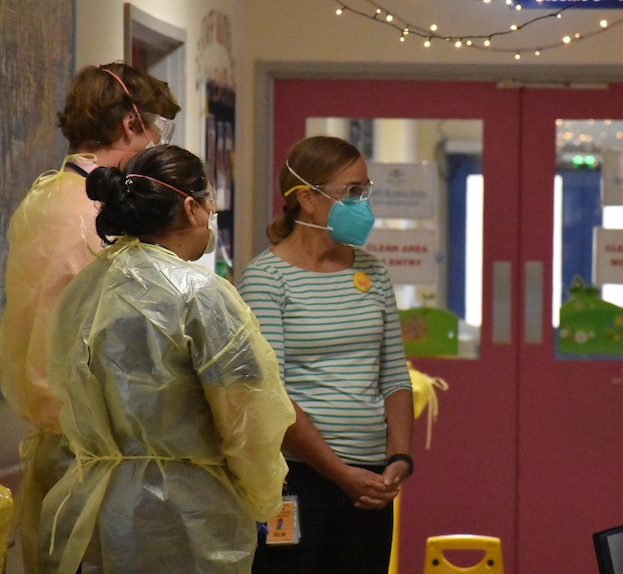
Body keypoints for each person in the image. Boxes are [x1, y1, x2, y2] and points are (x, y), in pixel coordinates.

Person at [37, 144, 295, 573]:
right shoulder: (201, 294)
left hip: (93, 508)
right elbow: (247, 417)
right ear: (191, 207)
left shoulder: (87, 286)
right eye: (209, 201)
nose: (212, 212)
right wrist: (263, 496)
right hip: (188, 516)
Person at [0, 61, 180, 572]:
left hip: (62, 440)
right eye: (156, 129)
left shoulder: (48, 196)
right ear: (130, 124)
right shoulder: (93, 219)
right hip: (91, 446)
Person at [238, 135, 414, 573]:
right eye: (352, 192)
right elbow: (271, 397)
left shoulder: (371, 270)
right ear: (307, 199)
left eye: (365, 191)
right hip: (297, 479)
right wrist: (341, 473)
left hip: (371, 480)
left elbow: (394, 376)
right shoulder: (266, 279)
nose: (363, 204)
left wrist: (399, 459)